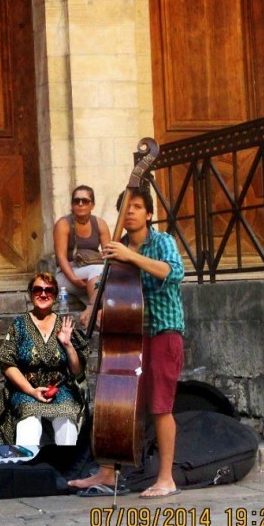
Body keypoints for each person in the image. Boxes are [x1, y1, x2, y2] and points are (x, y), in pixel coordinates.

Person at [68, 187, 185, 498]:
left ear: (148, 214)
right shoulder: (115, 249)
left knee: (160, 406)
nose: (130, 212)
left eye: (137, 207)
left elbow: (173, 273)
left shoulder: (162, 242)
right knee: (119, 402)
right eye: (125, 208)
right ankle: (107, 472)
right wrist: (97, 307)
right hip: (131, 335)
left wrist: (130, 256)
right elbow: (112, 288)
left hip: (162, 331)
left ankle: (166, 479)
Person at [0, 272, 90, 448]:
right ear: (31, 293)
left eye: (49, 290)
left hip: (59, 389)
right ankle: (28, 470)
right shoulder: (19, 325)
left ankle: (66, 469)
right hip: (26, 389)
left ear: (55, 296)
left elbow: (77, 371)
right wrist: (31, 391)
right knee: (28, 420)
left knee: (68, 418)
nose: (43, 294)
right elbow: (7, 363)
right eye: (38, 289)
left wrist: (68, 344)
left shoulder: (64, 324)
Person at [53, 185, 111, 317]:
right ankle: (93, 313)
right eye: (76, 201)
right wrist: (73, 279)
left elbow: (109, 255)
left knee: (99, 274)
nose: (80, 204)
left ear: (93, 205)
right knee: (96, 272)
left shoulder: (100, 224)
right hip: (67, 274)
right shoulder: (63, 224)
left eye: (85, 201)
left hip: (94, 272)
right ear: (72, 204)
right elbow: (61, 257)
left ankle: (94, 313)